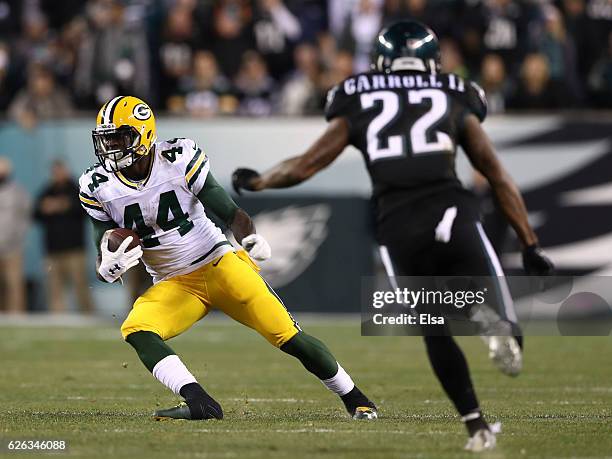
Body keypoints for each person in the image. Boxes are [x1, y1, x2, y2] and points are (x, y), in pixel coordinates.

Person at [232, 21, 554, 452]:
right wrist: (529, 243)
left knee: (434, 329)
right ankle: (494, 325)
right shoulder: (453, 91)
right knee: (504, 328)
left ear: (381, 62)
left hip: (396, 224)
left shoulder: (358, 95)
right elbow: (495, 174)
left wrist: (261, 182)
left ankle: (476, 427)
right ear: (432, 62)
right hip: (451, 210)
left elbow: (308, 164)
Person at [77, 96, 377, 421]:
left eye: (119, 137)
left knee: (287, 336)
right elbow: (104, 252)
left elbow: (230, 212)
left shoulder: (178, 158)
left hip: (218, 263)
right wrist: (109, 266)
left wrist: (249, 238)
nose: (111, 146)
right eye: (107, 138)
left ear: (144, 134)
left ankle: (356, 398)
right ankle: (199, 401)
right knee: (137, 328)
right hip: (174, 283)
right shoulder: (98, 185)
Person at [34, 160, 95, 314]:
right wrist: (45, 208)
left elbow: (85, 209)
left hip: (75, 249)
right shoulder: (47, 191)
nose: (58, 174)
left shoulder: (77, 189)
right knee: (54, 289)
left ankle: (88, 315)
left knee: (80, 286)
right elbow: (36, 214)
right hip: (53, 249)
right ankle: (58, 318)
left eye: (60, 171)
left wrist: (61, 205)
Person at [0, 157, 30, 313]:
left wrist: (18, 237)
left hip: (13, 246)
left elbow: (25, 215)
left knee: (14, 284)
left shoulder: (17, 191)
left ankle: (17, 315)